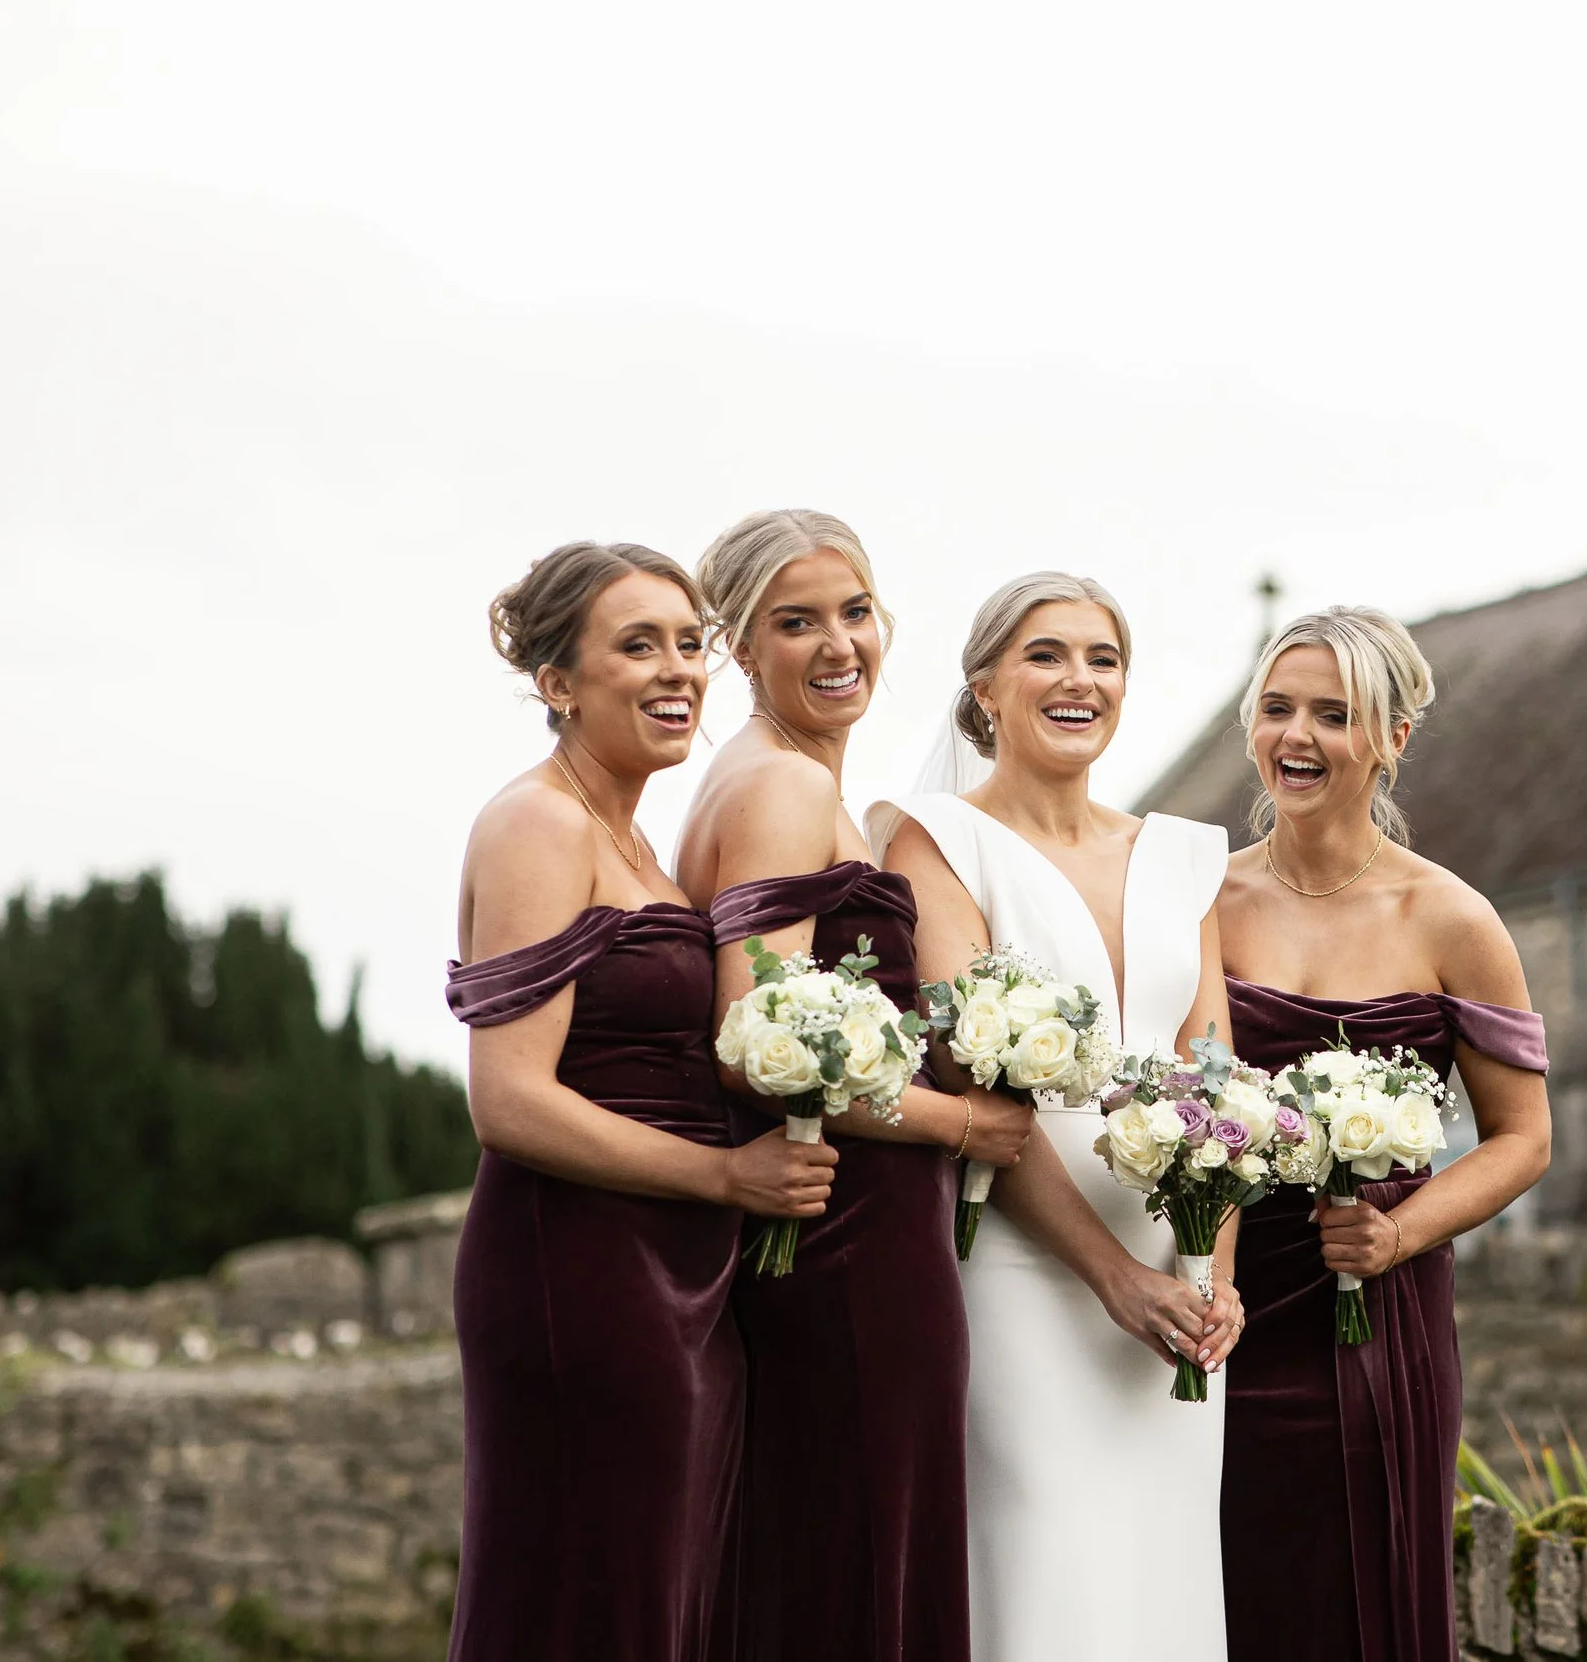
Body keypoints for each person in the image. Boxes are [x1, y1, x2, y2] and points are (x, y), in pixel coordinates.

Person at [444, 541, 837, 1662]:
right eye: (637, 645)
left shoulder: (637, 839)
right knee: (591, 1596)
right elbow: (509, 1101)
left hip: (678, 1266)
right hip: (578, 1264)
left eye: (689, 642)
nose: (679, 670)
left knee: (662, 1595)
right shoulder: (539, 823)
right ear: (557, 682)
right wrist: (726, 1174)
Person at [674, 511, 1031, 1662]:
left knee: (837, 1549)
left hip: (850, 1229)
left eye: (856, 611)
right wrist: (962, 1120)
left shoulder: (786, 779)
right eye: (797, 622)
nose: (839, 645)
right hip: (847, 1241)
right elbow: (755, 1040)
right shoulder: (780, 786)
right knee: (860, 1553)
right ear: (738, 644)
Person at [870, 572, 1241, 1662]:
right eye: (1046, 654)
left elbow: (1216, 1088)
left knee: (1163, 1586)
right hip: (1025, 1272)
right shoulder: (936, 840)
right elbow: (976, 1085)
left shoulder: (1185, 855)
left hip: (1174, 1290)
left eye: (1103, 658)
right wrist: (1111, 1276)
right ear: (984, 686)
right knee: (1043, 1578)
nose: (1079, 678)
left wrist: (1213, 1278)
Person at [1213, 605, 1553, 1662]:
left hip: (1371, 1309)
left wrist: (1397, 1233)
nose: (1297, 736)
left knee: (1362, 1593)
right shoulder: (1200, 901)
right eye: (1277, 708)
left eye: (1334, 713)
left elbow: (1523, 1137)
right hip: (1218, 1303)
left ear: (1393, 737)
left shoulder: (1452, 918)